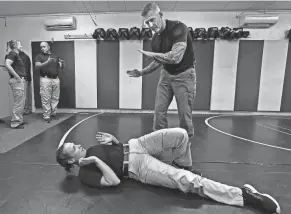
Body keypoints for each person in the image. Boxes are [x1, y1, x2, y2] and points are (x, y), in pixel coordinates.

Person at [56, 128, 280, 214]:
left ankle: (182, 166)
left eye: (75, 144)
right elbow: (114, 181)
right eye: (73, 148)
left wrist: (114, 141)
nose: (77, 145)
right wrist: (94, 159)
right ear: (71, 161)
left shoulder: (93, 148)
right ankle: (245, 196)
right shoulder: (86, 175)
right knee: (189, 181)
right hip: (137, 167)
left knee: (181, 134)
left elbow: (116, 150)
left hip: (136, 144)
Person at [127, 2, 196, 140]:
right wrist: (141, 72)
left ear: (160, 15)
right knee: (159, 111)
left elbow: (175, 58)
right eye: (147, 23)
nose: (150, 25)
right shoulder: (155, 39)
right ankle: (159, 141)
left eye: (152, 20)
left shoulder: (178, 28)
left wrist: (153, 55)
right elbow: (160, 61)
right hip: (166, 75)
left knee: (184, 115)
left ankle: (185, 146)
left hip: (184, 75)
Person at [34, 42, 64, 123]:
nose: (42, 48)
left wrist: (61, 64)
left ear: (48, 47)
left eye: (44, 46)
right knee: (46, 98)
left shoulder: (55, 55)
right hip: (45, 79)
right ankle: (47, 116)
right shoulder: (39, 56)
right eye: (41, 47)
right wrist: (47, 62)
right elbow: (37, 65)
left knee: (55, 98)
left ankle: (53, 114)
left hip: (56, 79)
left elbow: (60, 67)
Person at [5, 40, 28, 129]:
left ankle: (19, 120)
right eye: (20, 44)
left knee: (21, 102)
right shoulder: (12, 54)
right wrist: (18, 77)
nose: (21, 46)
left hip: (19, 81)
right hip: (17, 81)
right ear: (15, 46)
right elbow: (7, 65)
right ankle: (15, 123)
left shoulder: (15, 54)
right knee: (18, 102)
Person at [17, 41, 32, 115]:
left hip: (23, 78)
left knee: (22, 96)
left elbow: (24, 69)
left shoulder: (21, 57)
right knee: (25, 96)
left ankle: (25, 110)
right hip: (26, 78)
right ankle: (26, 109)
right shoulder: (25, 56)